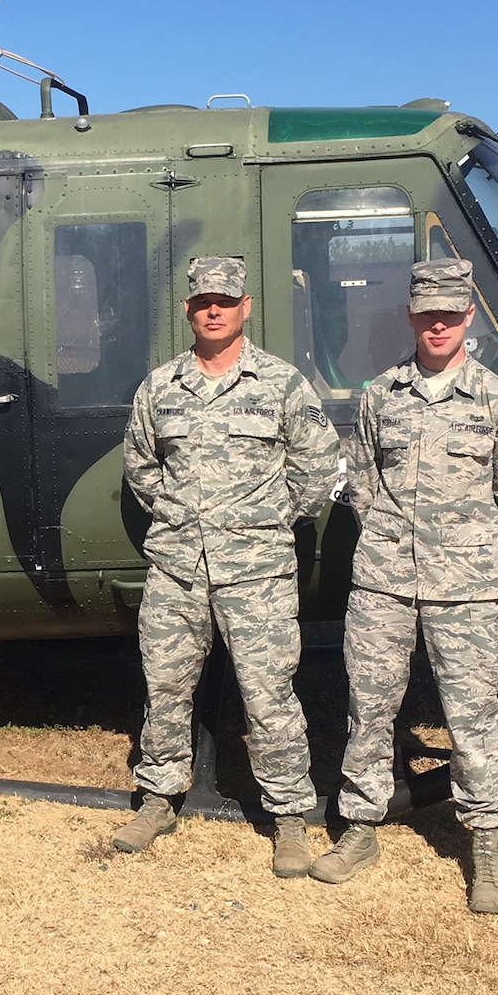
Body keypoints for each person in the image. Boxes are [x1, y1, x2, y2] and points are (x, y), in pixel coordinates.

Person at [309, 259, 498, 915]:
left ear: (469, 317)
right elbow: (360, 482)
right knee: (370, 708)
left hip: (463, 589)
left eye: (450, 314)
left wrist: (477, 555)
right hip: (384, 583)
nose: (438, 325)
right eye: (426, 314)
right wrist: (391, 541)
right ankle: (359, 828)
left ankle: (486, 844)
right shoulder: (381, 394)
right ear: (411, 318)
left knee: (473, 716)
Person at [114, 255, 340, 876]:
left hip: (258, 573)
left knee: (269, 696)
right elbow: (140, 466)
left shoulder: (282, 384)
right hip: (178, 570)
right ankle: (158, 798)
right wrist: (181, 515)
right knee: (165, 689)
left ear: (245, 308)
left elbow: (319, 467)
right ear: (189, 310)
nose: (212, 310)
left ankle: (289, 816)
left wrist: (264, 522)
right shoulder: (159, 387)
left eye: (224, 300)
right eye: (201, 301)